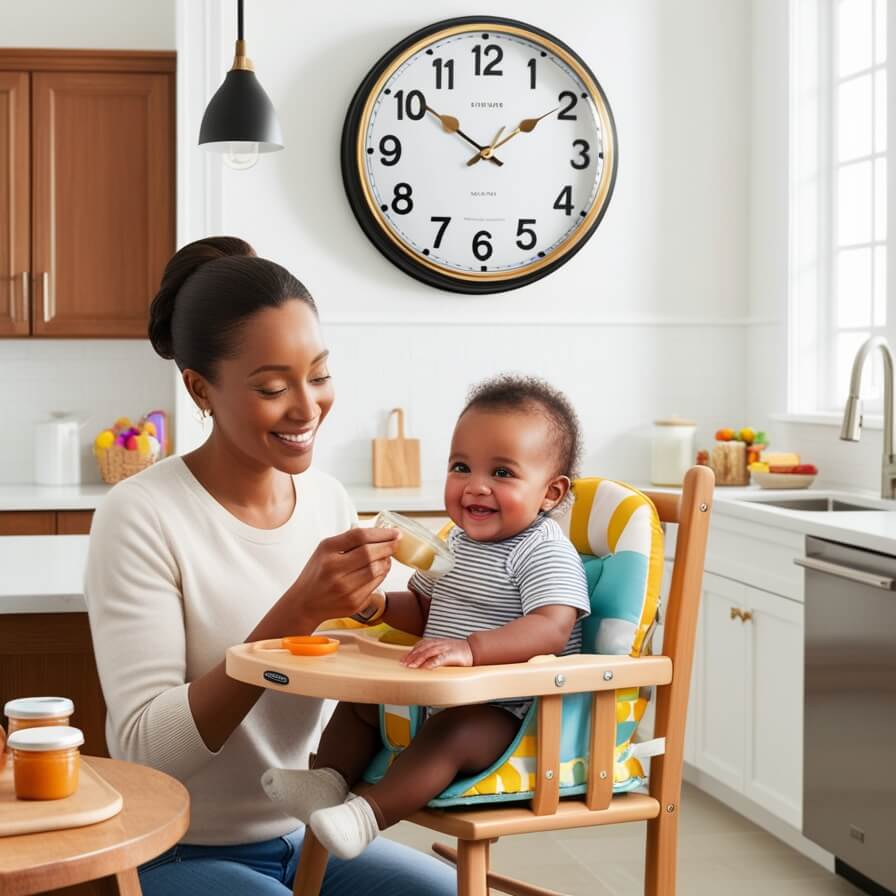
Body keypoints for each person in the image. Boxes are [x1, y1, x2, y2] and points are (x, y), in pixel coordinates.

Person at [84, 236, 456, 895]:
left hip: (308, 834)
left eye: (318, 375)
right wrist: (295, 614)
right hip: (178, 848)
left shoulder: (329, 501)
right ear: (201, 388)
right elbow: (141, 748)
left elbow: (372, 667)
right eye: (273, 387)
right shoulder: (141, 514)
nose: (307, 407)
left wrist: (403, 614)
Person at [262, 375, 591, 860]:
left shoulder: (543, 552)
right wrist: (373, 605)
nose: (475, 486)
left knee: (452, 735)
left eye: (502, 473)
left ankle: (366, 816)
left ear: (550, 493)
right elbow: (422, 609)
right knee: (360, 702)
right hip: (439, 694)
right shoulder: (456, 543)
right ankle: (325, 783)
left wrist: (471, 649)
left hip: (511, 714)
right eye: (462, 466)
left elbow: (552, 626)